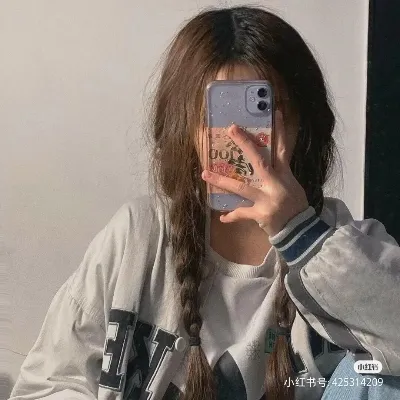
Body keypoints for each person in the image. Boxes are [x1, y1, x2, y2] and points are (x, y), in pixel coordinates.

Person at [9, 6, 400, 400]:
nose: (243, 140)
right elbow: (46, 385)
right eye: (219, 116)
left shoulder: (350, 248)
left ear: (304, 125)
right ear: (187, 128)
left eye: (266, 112)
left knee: (380, 377)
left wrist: (302, 234)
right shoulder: (137, 238)